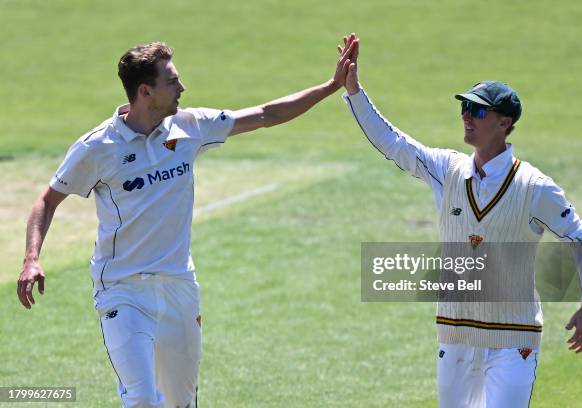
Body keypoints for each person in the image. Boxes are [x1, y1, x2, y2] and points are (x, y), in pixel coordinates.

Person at [17, 36, 358, 407]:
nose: (183, 87)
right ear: (145, 91)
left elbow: (265, 114)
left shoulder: (190, 127)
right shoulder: (97, 147)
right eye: (172, 81)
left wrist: (331, 86)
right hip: (122, 290)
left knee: (182, 402)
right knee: (143, 399)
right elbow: (47, 201)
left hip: (179, 287)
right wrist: (32, 258)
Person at [339, 37, 582, 407]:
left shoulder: (534, 187)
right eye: (465, 107)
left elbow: (580, 238)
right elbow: (392, 142)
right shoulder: (447, 169)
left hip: (514, 340)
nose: (466, 115)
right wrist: (355, 91)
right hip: (455, 335)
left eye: (478, 111)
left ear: (504, 123)